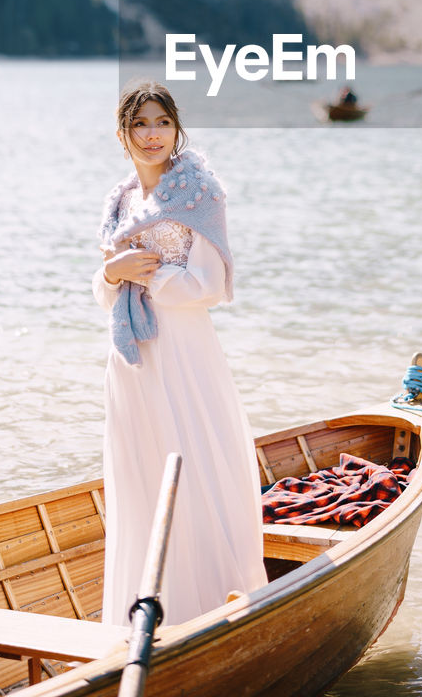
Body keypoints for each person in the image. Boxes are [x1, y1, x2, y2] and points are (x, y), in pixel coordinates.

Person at [92, 79, 267, 627]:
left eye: (162, 122)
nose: (152, 135)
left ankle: (208, 604)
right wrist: (111, 273)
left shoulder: (200, 192)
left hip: (185, 351)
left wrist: (150, 276)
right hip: (131, 363)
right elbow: (107, 291)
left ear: (177, 129)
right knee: (140, 473)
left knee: (193, 464)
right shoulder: (120, 201)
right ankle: (139, 614)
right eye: (140, 124)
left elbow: (210, 286)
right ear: (123, 134)